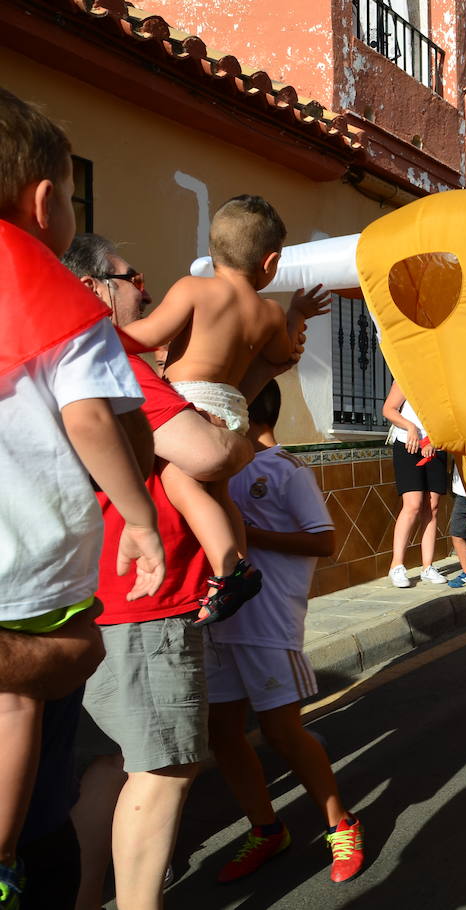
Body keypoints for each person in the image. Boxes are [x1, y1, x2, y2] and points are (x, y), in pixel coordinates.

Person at [61, 233, 261, 910]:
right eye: (131, 275)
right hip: (144, 599)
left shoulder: (60, 356)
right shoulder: (109, 356)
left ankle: (89, 899)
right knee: (167, 765)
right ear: (95, 287)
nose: (143, 287)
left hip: (93, 595)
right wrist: (227, 432)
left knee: (111, 764)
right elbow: (204, 454)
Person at [0, 90, 162, 910]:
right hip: (31, 570)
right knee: (23, 704)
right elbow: (94, 418)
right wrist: (137, 517)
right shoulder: (63, 304)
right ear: (43, 200)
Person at [121, 196, 330, 624]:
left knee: (180, 483)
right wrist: (296, 314)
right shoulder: (269, 313)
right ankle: (240, 563)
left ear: (212, 250)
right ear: (270, 264)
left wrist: (97, 336)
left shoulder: (193, 289)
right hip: (235, 410)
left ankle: (227, 568)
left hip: (193, 407)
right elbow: (283, 355)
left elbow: (145, 336)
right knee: (219, 494)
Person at [206, 380, 364, 884]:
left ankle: (342, 824)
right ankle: (267, 829)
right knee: (222, 734)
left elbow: (324, 540)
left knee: (282, 732)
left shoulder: (286, 470)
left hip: (268, 622)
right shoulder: (216, 467)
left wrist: (247, 534)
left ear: (243, 410)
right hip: (219, 622)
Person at [382, 380, 449, 588]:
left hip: (436, 446)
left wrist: (431, 439)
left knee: (433, 507)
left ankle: (427, 567)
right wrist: (410, 427)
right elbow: (388, 409)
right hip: (407, 444)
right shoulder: (405, 376)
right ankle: (397, 565)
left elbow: (449, 416)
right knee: (412, 504)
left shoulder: (445, 381)